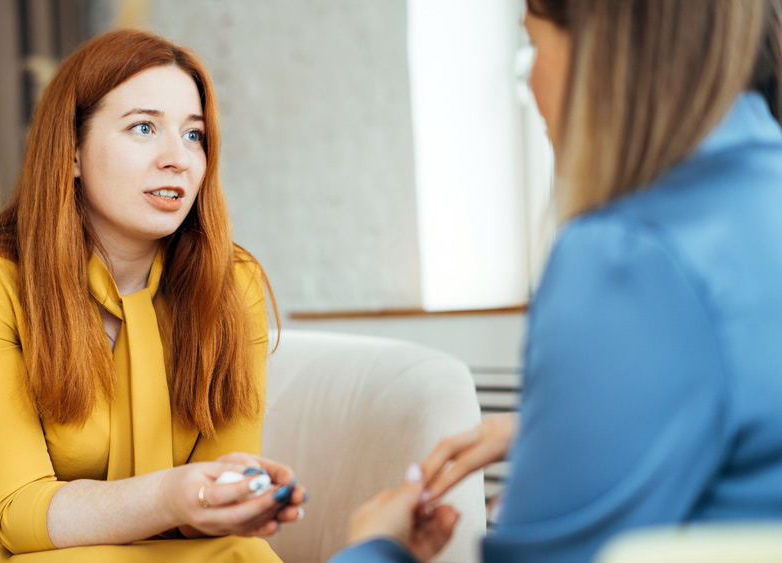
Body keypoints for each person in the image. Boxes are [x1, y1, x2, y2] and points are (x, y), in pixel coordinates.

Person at [332, 0, 782, 561]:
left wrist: (374, 549)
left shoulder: (629, 256)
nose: (534, 81)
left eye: (534, 47)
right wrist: (551, 434)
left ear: (602, 48)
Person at [0, 29, 305, 562]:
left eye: (194, 135)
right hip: (14, 548)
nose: (178, 159)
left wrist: (238, 498)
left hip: (159, 548)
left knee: (244, 554)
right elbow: (20, 514)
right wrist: (175, 495)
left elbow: (209, 506)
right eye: (143, 127)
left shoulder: (233, 282)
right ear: (71, 152)